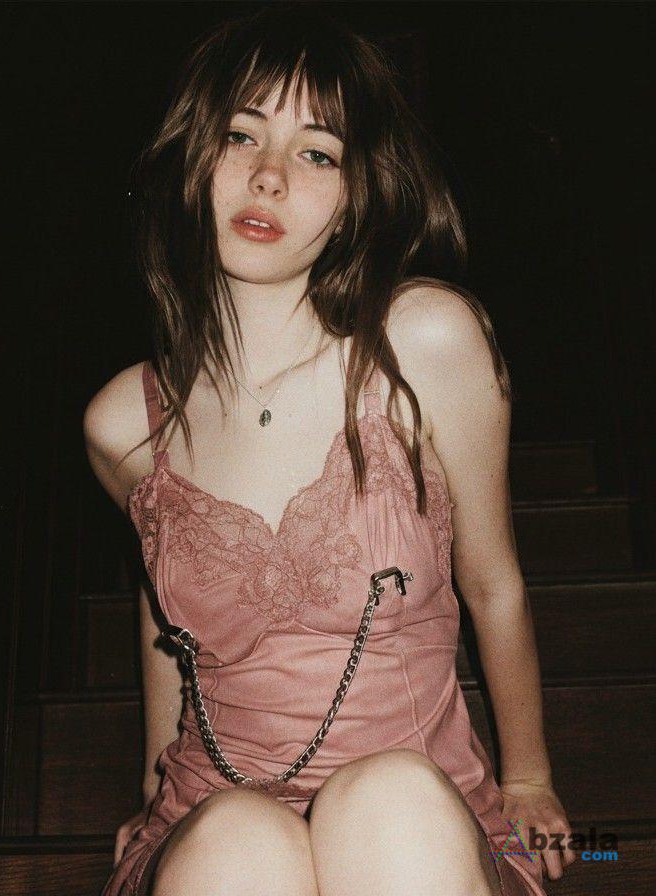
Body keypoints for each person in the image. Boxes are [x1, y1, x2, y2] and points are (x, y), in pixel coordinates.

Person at [84, 4, 576, 895]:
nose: (268, 177)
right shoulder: (124, 421)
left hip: (426, 815)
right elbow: (165, 619)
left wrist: (531, 777)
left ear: (356, 198)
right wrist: (155, 792)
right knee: (236, 839)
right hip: (213, 811)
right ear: (192, 160)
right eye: (240, 136)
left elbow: (493, 581)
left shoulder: (424, 343)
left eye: (317, 154)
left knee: (386, 802)